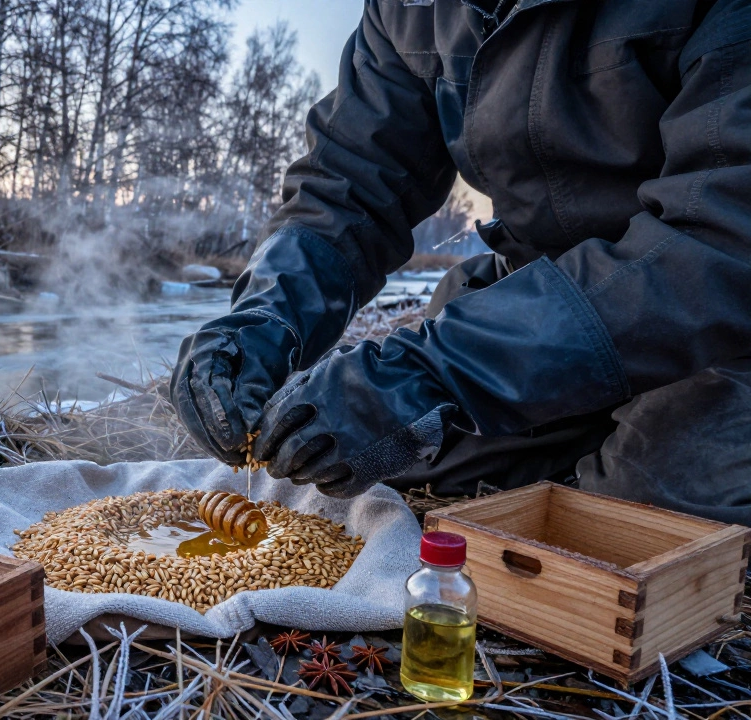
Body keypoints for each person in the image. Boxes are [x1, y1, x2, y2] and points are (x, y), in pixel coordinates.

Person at [171, 0, 751, 524]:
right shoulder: (406, 9)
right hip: (544, 309)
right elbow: (347, 184)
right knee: (396, 463)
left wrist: (431, 373)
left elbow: (719, 239)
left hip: (719, 323)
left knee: (630, 518)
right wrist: (265, 318)